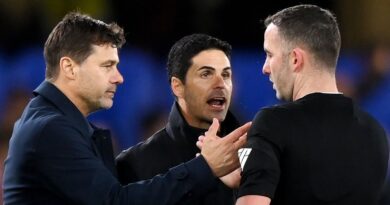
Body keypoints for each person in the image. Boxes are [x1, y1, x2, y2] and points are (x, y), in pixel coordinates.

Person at [2, 11, 251, 205]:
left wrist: (213, 180)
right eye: (107, 66)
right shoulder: (51, 130)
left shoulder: (60, 123)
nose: (119, 77)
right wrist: (205, 167)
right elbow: (117, 201)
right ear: (69, 68)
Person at [234, 4, 389, 205]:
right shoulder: (376, 133)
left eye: (270, 55)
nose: (265, 68)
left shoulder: (273, 123)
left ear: (295, 59)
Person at [116, 33, 240, 205]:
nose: (220, 84)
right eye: (206, 74)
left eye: (226, 75)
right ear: (178, 87)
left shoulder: (255, 154)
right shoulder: (134, 163)